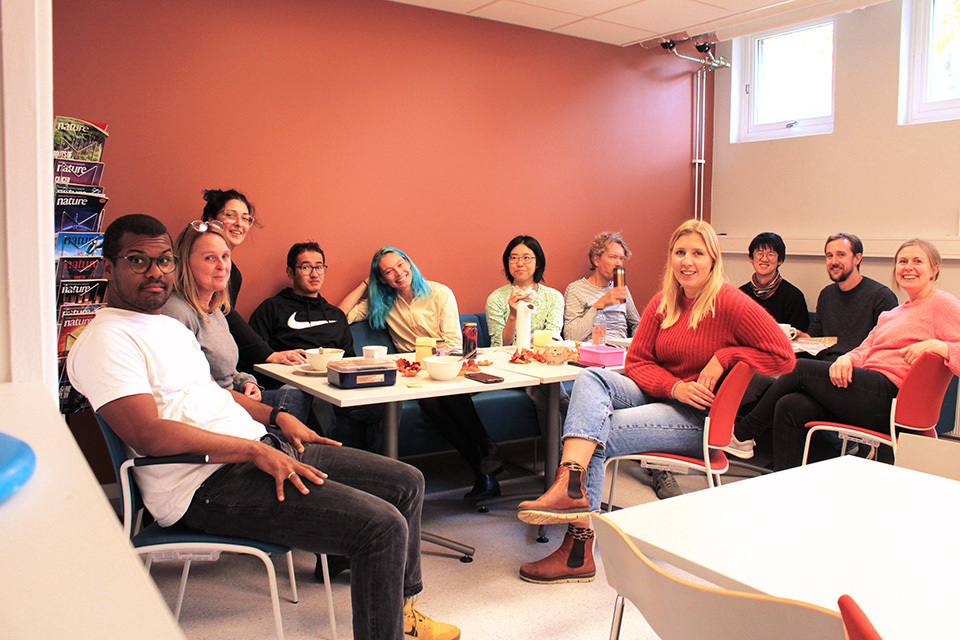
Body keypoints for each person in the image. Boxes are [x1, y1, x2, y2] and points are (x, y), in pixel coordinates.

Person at [67, 215, 459, 640]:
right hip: (204, 483)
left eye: (163, 260)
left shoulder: (167, 326)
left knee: (406, 481)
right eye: (138, 260)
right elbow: (146, 434)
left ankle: (402, 612)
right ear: (108, 267)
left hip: (259, 448)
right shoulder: (105, 340)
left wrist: (276, 417)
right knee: (380, 527)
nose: (156, 272)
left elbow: (211, 392)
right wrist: (254, 450)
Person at [515, 219, 795, 585]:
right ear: (671, 259)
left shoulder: (730, 302)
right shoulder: (664, 303)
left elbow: (784, 356)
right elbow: (637, 363)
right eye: (680, 253)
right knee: (591, 377)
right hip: (665, 396)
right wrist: (675, 386)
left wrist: (726, 355)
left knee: (597, 432)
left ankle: (577, 545)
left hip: (700, 418)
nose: (687, 262)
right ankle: (571, 485)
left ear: (713, 260)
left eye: (697, 253)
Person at [729, 239, 960, 470]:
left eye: (917, 261)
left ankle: (741, 434)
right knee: (791, 405)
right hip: (867, 389)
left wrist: (938, 346)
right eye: (902, 261)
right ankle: (786, 487)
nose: (908, 267)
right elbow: (865, 348)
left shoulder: (942, 303)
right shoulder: (893, 313)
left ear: (935, 269)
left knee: (798, 369)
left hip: (892, 396)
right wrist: (846, 358)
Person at [339, 246, 505, 500]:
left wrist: (434, 362)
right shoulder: (382, 302)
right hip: (417, 376)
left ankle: (485, 463)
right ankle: (487, 459)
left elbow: (452, 343)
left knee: (444, 398)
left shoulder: (439, 293)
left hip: (447, 366)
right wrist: (366, 282)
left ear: (409, 263)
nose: (398, 273)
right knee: (432, 403)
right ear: (382, 279)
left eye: (401, 264)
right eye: (388, 271)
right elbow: (341, 315)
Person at [160, 221, 311, 425]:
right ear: (185, 263)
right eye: (209, 258)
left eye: (225, 256)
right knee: (295, 404)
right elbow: (195, 389)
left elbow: (230, 373)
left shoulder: (216, 312)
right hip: (213, 415)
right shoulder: (177, 312)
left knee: (303, 397)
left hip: (233, 400)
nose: (222, 266)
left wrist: (247, 383)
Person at [249, 242, 382, 452]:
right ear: (290, 272)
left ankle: (379, 471)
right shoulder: (272, 308)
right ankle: (328, 466)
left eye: (319, 267)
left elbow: (349, 358)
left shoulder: (336, 315)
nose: (314, 273)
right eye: (306, 267)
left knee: (385, 406)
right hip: (296, 386)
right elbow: (254, 357)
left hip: (336, 385)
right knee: (314, 400)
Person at [200, 189, 307, 370]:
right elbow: (225, 312)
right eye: (230, 215)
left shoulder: (233, 274)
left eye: (245, 218)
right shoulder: (193, 265)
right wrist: (268, 354)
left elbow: (224, 317)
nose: (238, 224)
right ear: (211, 219)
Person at [799, 233, 898, 361]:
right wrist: (800, 337)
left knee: (799, 369)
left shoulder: (881, 296)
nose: (834, 262)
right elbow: (816, 335)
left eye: (841, 255)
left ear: (857, 259)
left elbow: (885, 347)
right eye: (830, 256)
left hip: (862, 368)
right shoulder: (827, 294)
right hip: (829, 367)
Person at [485, 235, 563, 347]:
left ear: (537, 263)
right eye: (514, 258)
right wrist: (512, 315)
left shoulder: (553, 297)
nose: (520, 263)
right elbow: (500, 345)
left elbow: (553, 338)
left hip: (541, 357)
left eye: (526, 258)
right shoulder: (496, 299)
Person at [562, 231, 640, 342]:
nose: (619, 263)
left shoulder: (622, 289)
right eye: (612, 257)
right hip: (593, 351)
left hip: (621, 351)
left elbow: (637, 324)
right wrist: (601, 304)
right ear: (597, 260)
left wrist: (636, 343)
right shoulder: (576, 289)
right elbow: (571, 336)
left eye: (621, 258)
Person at [739, 232, 809, 331]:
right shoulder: (741, 295)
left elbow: (798, 336)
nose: (764, 259)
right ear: (751, 258)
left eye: (770, 255)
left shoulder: (793, 296)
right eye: (760, 254)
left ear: (780, 260)